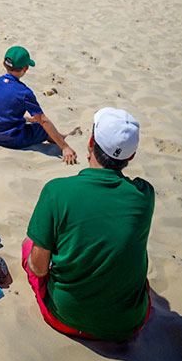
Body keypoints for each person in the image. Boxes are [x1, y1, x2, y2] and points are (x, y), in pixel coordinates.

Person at [22, 107, 154, 341]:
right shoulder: (144, 195)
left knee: (30, 245)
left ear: (91, 141)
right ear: (130, 157)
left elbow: (39, 268)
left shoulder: (56, 191)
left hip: (66, 318)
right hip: (129, 324)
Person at [0, 46, 79, 162]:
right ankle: (60, 138)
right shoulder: (24, 92)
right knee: (41, 128)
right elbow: (43, 120)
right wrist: (65, 147)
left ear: (4, 63)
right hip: (12, 139)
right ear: (25, 68)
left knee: (22, 116)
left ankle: (44, 129)